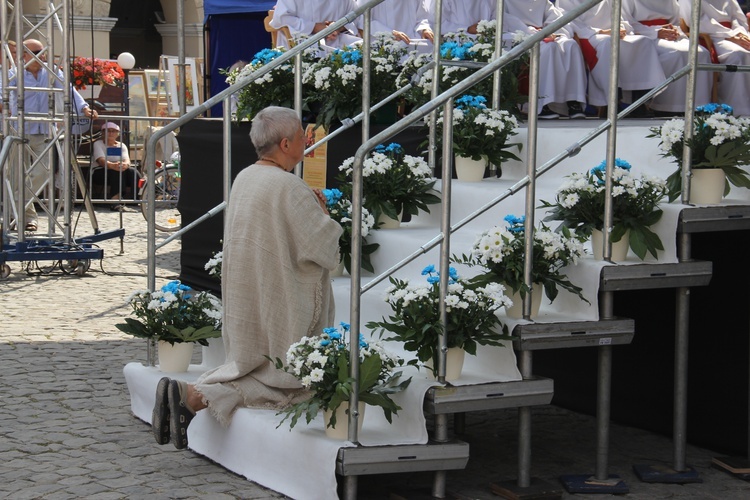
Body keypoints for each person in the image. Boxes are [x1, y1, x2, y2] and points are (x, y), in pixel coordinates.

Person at [152, 106, 343, 449]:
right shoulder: (291, 187)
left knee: (253, 367)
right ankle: (193, 397)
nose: (307, 140)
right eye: (302, 136)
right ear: (286, 144)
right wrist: (326, 216)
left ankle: (187, 398)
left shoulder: (245, 176)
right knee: (288, 383)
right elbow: (323, 250)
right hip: (282, 301)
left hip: (251, 294)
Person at [1, 39, 98, 231]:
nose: (43, 55)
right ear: (25, 54)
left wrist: (84, 107)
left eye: (43, 51)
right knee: (15, 175)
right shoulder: (13, 74)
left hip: (45, 130)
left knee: (44, 171)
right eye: (38, 51)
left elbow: (69, 90)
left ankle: (18, 205)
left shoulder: (53, 72)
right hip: (18, 130)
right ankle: (28, 218)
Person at [558, 0, 667, 117]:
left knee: (643, 42)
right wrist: (601, 31)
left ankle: (639, 100)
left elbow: (618, 15)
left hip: (612, 32)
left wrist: (619, 27)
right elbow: (569, 19)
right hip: (589, 35)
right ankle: (612, 102)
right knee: (607, 44)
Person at [623, 0, 712, 114]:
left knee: (701, 53)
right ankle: (666, 107)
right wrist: (655, 31)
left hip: (668, 34)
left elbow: (675, 20)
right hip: (646, 36)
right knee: (676, 54)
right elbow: (627, 22)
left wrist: (674, 30)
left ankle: (699, 106)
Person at [503, 0, 589, 119]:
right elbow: (507, 20)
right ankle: (542, 104)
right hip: (519, 37)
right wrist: (533, 32)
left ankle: (573, 100)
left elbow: (556, 18)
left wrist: (551, 31)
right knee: (549, 48)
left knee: (571, 45)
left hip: (545, 34)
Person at [679, 0, 750, 115]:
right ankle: (737, 110)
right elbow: (697, 21)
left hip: (734, 34)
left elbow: (738, 18)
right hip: (713, 37)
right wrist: (730, 35)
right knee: (737, 55)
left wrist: (739, 33)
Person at [270, 0, 363, 49]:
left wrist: (338, 27)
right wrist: (314, 27)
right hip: (303, 41)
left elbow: (355, 16)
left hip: (339, 39)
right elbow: (281, 18)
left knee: (365, 51)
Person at [91, 122, 140, 210]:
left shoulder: (121, 145)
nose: (111, 133)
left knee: (133, 171)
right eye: (108, 131)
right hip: (100, 172)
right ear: (103, 133)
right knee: (115, 171)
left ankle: (137, 198)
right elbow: (101, 160)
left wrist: (125, 165)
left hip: (119, 169)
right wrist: (113, 165)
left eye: (114, 131)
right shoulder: (98, 144)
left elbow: (127, 160)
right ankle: (115, 201)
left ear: (117, 134)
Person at [359, 0, 434, 45]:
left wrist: (425, 29)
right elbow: (363, 22)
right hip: (381, 49)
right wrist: (389, 33)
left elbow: (422, 17)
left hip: (412, 45)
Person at [427, 0, 497, 36]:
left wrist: (490, 27)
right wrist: (467, 29)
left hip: (487, 42)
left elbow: (497, 17)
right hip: (456, 45)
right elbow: (436, 24)